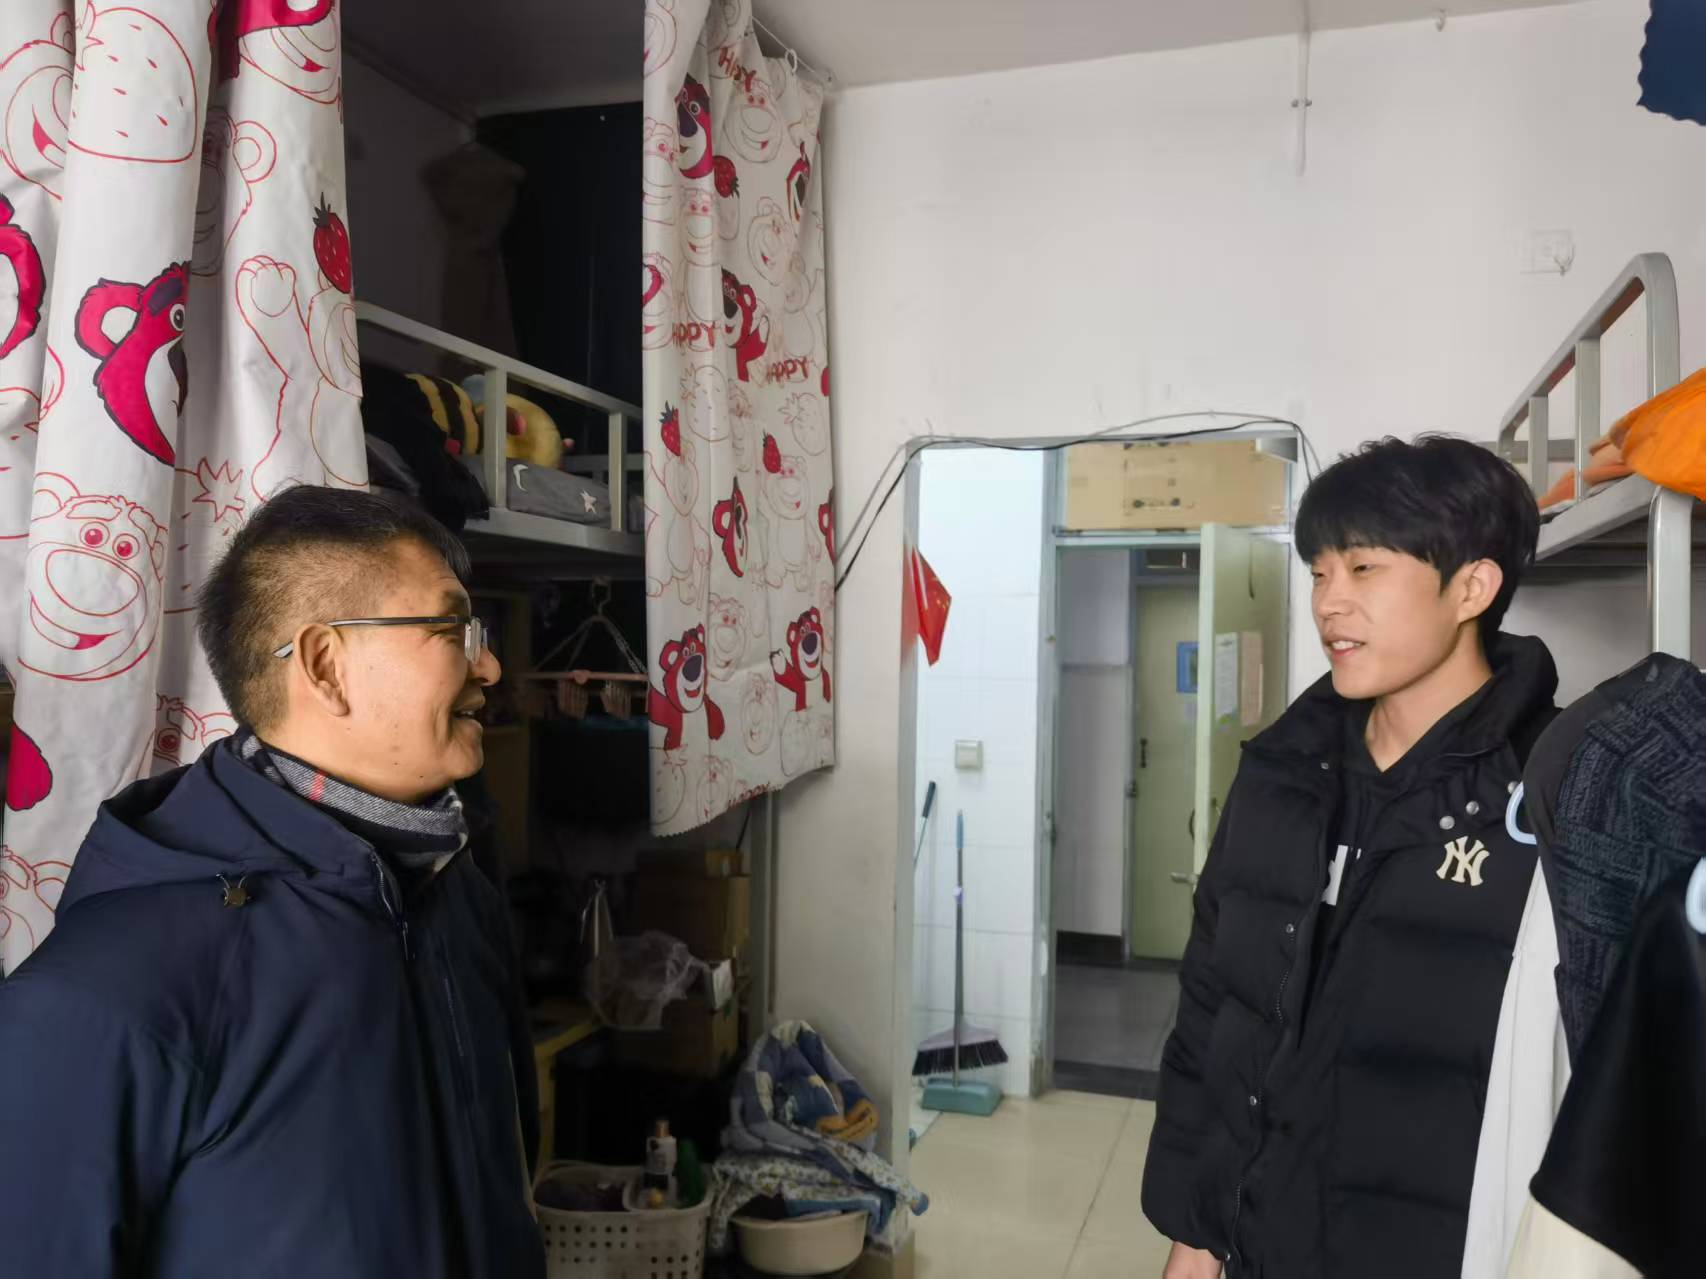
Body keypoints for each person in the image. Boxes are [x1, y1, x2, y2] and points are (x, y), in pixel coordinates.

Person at [0, 485, 545, 1277]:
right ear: (325, 665)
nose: (488, 664)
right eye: (451, 628)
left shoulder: (457, 893)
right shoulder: (105, 992)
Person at [1142, 436, 1558, 1279]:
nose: (1329, 602)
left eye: (1364, 569)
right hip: (1258, 1242)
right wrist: (1195, 1230)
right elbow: (1214, 1008)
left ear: (1472, 587)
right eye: (1320, 572)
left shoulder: (1552, 799)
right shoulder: (1281, 774)